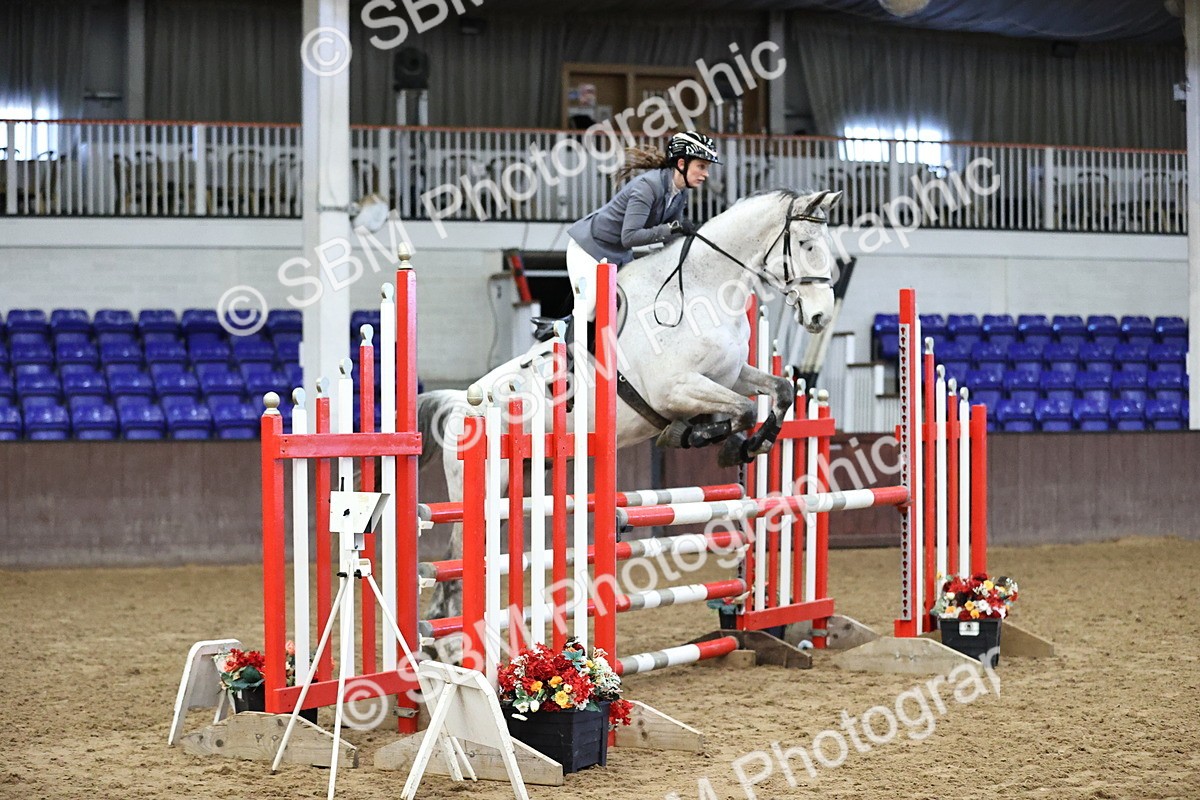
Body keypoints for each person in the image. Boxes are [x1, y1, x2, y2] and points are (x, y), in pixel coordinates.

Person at [535, 130, 720, 339]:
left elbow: (670, 236)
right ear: (681, 164)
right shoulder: (647, 187)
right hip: (589, 247)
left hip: (617, 254)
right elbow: (630, 237)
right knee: (592, 304)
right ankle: (568, 354)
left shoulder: (680, 192)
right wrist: (672, 229)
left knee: (635, 298)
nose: (705, 174)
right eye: (701, 166)